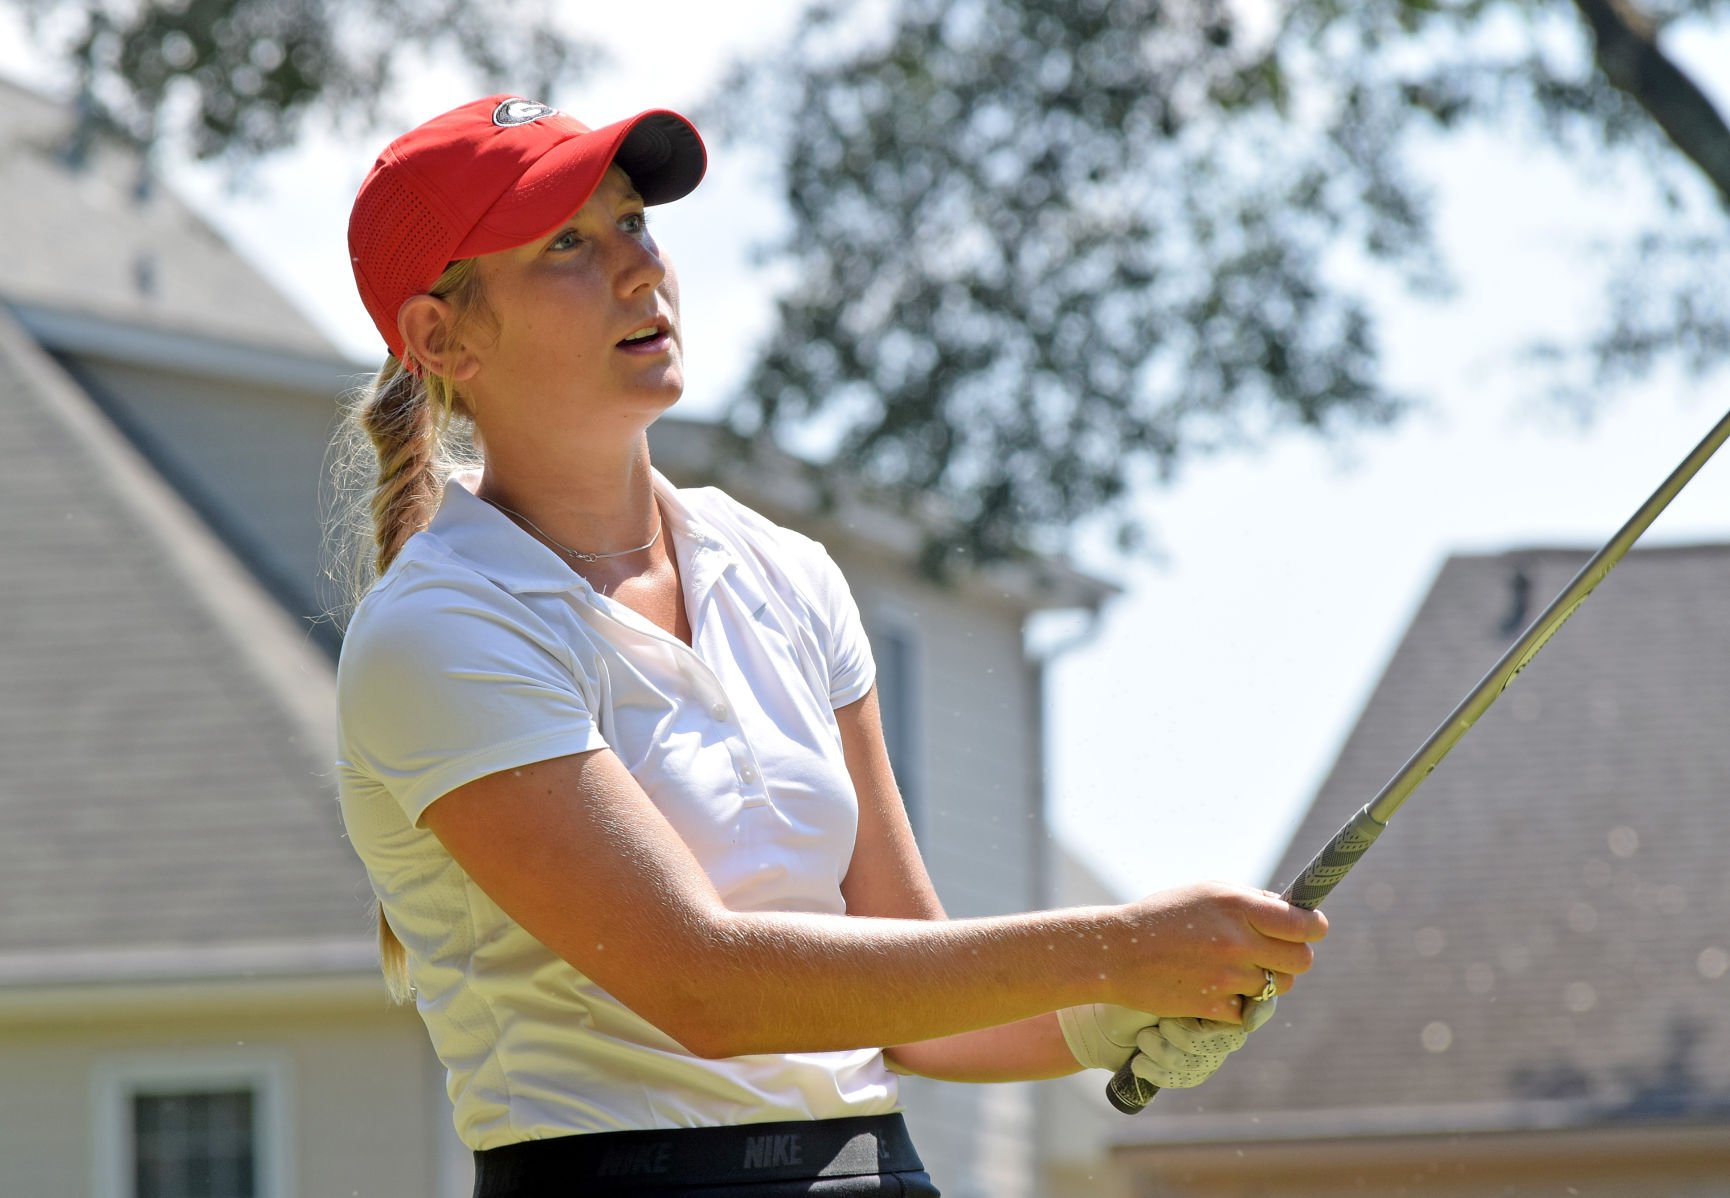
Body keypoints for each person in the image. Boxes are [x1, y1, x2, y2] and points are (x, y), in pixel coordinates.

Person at [332, 94, 1329, 1198]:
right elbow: (705, 986)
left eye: (633, 223)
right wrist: (1116, 947)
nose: (635, 269)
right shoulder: (442, 627)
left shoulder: (785, 573)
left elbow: (916, 1014)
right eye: (566, 241)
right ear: (441, 336)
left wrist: (1122, 1007)